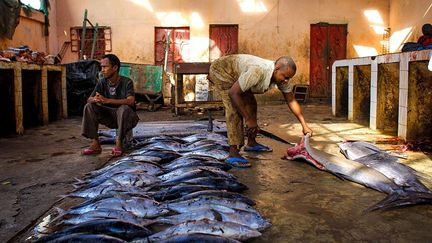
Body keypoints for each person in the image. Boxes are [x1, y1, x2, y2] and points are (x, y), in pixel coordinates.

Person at [208, 54, 313, 168]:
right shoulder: (257, 71)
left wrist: (304, 125)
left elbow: (291, 100)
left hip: (239, 74)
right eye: (285, 77)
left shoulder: (281, 77)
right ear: (276, 69)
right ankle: (233, 153)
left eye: (289, 78)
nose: (286, 80)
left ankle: (251, 143)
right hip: (222, 71)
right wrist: (248, 119)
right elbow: (233, 93)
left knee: (251, 104)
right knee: (234, 108)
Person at [81, 54, 139, 156]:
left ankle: (119, 143)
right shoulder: (102, 82)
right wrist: (95, 99)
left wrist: (107, 101)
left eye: (105, 67)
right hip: (110, 117)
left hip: (126, 118)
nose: (102, 70)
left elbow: (130, 101)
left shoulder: (127, 82)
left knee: (124, 109)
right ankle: (95, 144)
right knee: (89, 106)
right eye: (101, 67)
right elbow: (89, 99)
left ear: (115, 67)